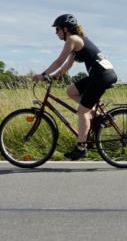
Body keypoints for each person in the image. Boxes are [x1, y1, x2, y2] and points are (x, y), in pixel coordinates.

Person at [33, 14, 118, 160]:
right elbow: (67, 64)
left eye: (57, 29)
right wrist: (57, 75)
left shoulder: (72, 39)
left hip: (101, 76)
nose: (56, 33)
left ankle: (81, 147)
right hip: (100, 75)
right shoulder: (77, 41)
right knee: (71, 91)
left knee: (82, 112)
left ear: (66, 29)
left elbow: (59, 60)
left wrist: (43, 74)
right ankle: (98, 117)